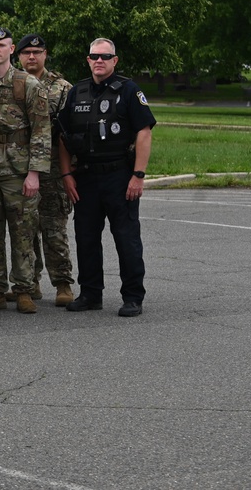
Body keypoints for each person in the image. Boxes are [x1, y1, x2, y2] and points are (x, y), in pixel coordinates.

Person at [59, 37, 155, 317]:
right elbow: (62, 137)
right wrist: (66, 173)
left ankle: (133, 296)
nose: (99, 60)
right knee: (86, 238)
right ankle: (90, 293)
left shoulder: (129, 90)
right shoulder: (76, 92)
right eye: (94, 56)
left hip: (119, 176)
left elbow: (144, 132)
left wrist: (138, 175)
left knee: (126, 238)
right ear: (88, 60)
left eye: (105, 56)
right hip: (85, 178)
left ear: (115, 60)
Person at [0, 27, 50, 314]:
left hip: (19, 172)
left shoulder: (27, 84)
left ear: (11, 49)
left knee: (23, 233)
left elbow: (42, 131)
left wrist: (35, 173)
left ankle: (24, 290)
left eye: (2, 45)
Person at [16, 33, 76, 306]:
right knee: (24, 230)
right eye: (26, 52)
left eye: (37, 52)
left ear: (45, 55)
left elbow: (68, 132)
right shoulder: (12, 84)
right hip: (18, 164)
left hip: (52, 167)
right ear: (18, 56)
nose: (32, 56)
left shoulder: (62, 88)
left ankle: (63, 283)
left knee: (53, 228)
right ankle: (30, 283)